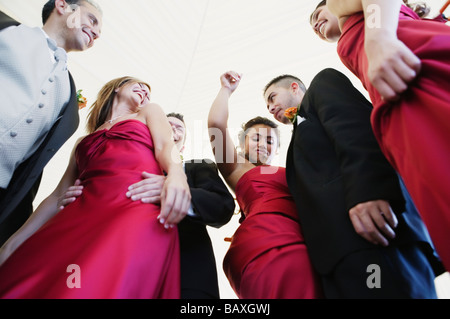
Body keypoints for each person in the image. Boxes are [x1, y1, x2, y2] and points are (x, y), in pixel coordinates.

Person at [0, 76, 191, 298]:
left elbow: (166, 145)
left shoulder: (150, 112)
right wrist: (11, 245)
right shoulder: (83, 142)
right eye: (138, 85)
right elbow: (57, 195)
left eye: (148, 91)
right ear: (117, 88)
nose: (145, 92)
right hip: (78, 216)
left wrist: (176, 175)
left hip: (134, 207)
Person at [264, 68, 441, 298]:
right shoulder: (295, 139)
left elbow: (356, 131)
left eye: (272, 97)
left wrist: (368, 192)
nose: (270, 108)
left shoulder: (321, 86)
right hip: (338, 257)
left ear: (294, 87)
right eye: (267, 106)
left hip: (372, 230)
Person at [310, 0, 450, 272]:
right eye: (312, 25)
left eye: (318, 14)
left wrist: (379, 39)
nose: (315, 24)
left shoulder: (345, 9)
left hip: (417, 76)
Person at [61, 112, 236, 299]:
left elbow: (222, 206)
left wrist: (176, 191)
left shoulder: (198, 166)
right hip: (119, 270)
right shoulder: (123, 166)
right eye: (167, 124)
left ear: (183, 146)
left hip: (185, 275)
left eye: (179, 129)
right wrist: (76, 200)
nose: (172, 129)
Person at [207, 71, 323, 299]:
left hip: (312, 242)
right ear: (241, 146)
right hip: (265, 242)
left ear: (278, 148)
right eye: (256, 138)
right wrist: (226, 90)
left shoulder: (295, 169)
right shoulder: (237, 169)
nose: (263, 144)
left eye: (270, 140)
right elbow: (215, 124)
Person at [0, 0, 103, 246]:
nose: (97, 33)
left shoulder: (68, 97)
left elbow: (33, 167)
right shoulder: (7, 29)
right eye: (92, 20)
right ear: (62, 5)